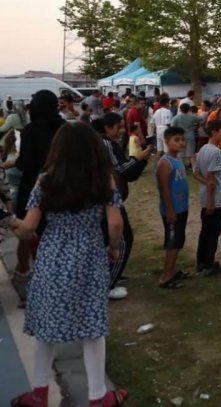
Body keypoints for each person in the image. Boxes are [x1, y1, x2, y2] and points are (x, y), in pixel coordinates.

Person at [9, 123, 128, 407]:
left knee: (45, 326)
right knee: (93, 327)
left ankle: (39, 394)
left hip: (52, 257)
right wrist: (112, 248)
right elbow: (115, 224)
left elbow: (27, 229)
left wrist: (9, 221)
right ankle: (98, 396)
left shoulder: (45, 181)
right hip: (89, 257)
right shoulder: (103, 180)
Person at [12, 91, 64, 302]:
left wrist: (15, 161)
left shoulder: (31, 131)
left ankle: (24, 273)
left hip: (32, 187)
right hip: (60, 187)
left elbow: (24, 163)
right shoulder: (64, 129)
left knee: (28, 232)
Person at [92, 112, 151, 300]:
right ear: (107, 128)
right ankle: (108, 283)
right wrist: (139, 159)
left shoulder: (103, 142)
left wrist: (140, 160)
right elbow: (121, 170)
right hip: (107, 198)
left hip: (103, 198)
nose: (123, 130)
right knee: (123, 239)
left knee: (107, 239)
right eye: (119, 127)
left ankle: (110, 274)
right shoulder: (106, 144)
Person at [192, 119, 221, 276]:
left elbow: (196, 173)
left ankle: (201, 262)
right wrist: (210, 200)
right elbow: (210, 176)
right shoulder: (215, 152)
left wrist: (205, 184)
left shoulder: (203, 149)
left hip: (207, 196)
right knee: (213, 233)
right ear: (214, 132)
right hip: (215, 199)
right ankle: (209, 265)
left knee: (205, 231)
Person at [156, 127, 190, 289]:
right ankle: (166, 277)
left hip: (182, 208)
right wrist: (170, 210)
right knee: (172, 243)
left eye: (182, 139)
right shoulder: (165, 162)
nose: (181, 142)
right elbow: (164, 189)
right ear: (167, 142)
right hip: (172, 210)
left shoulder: (178, 159)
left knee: (178, 241)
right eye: (176, 140)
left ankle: (173, 270)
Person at [171, 102, 203, 169]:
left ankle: (181, 169)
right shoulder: (192, 116)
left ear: (180, 109)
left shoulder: (176, 117)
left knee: (180, 154)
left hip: (180, 137)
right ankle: (194, 169)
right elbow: (200, 119)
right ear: (189, 109)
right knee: (192, 155)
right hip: (190, 136)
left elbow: (172, 127)